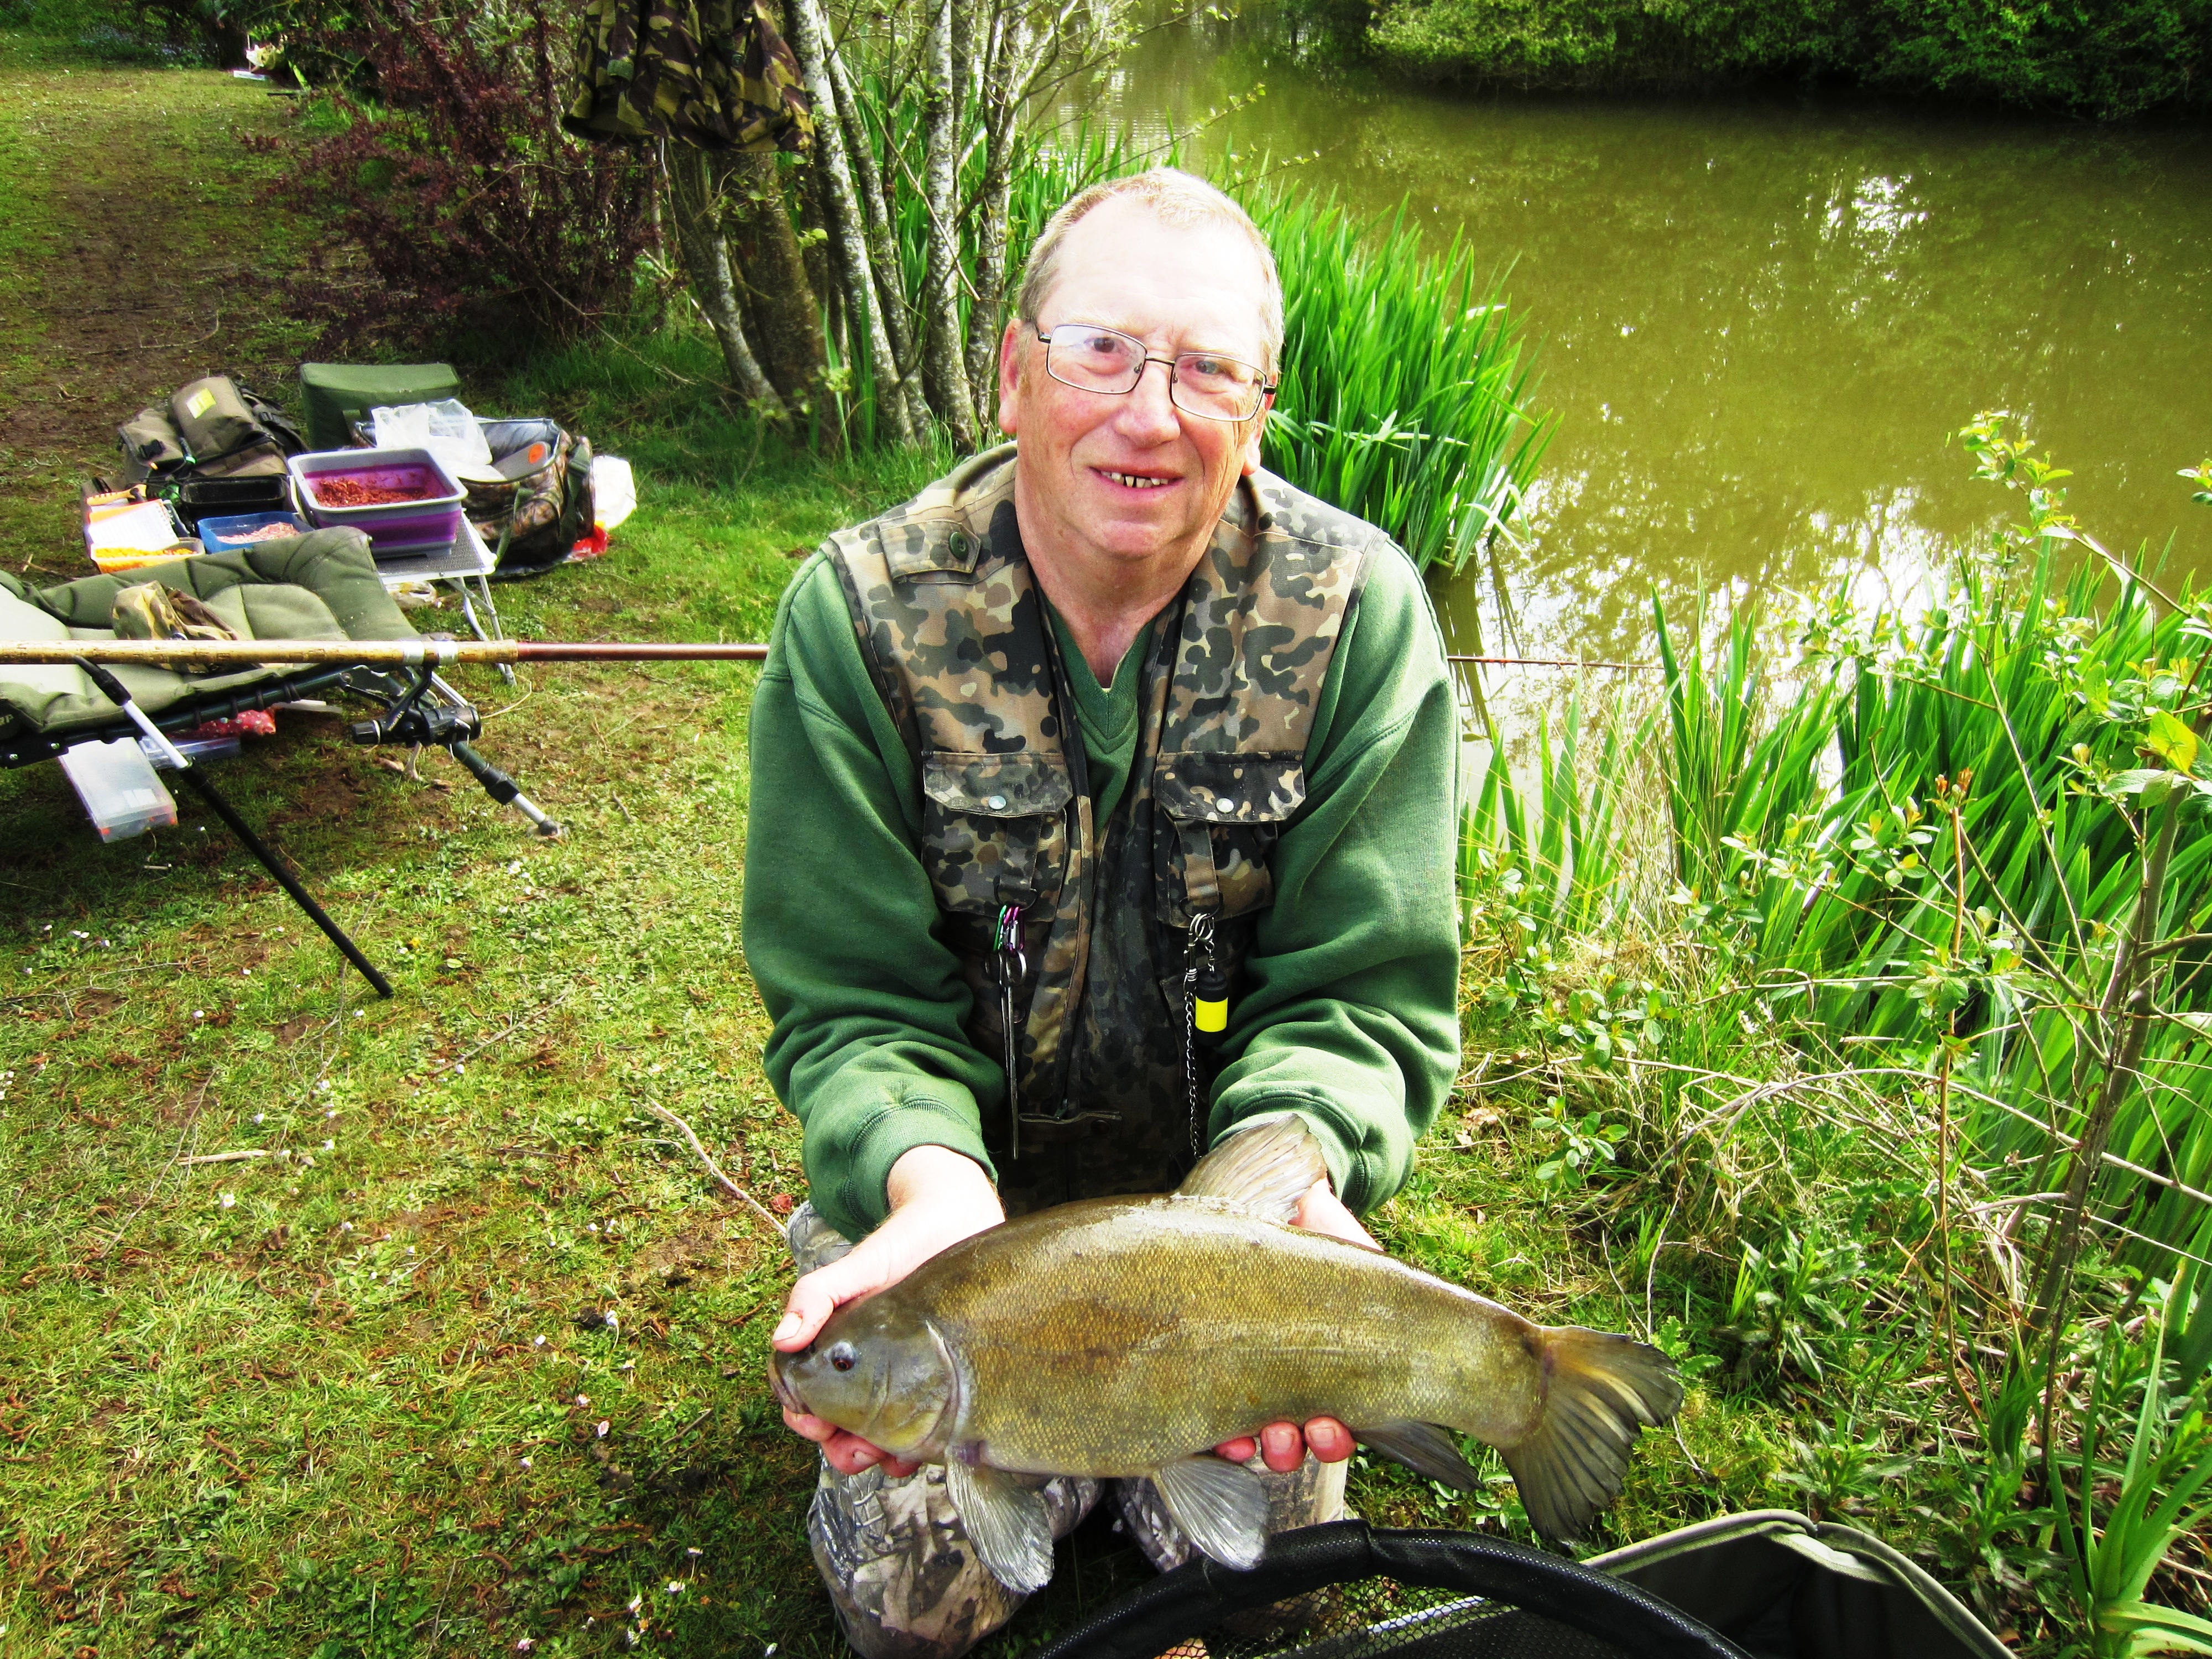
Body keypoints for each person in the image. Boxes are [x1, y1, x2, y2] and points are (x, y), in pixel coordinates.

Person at [742, 167, 1462, 1659]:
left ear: (1259, 408)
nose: (1150, 412)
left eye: (1206, 368)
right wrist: (926, 1187)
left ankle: (1153, 1494)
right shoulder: (857, 618)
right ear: (1015, 372)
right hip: (957, 1224)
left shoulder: (1363, 615)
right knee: (916, 1606)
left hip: (1222, 1223)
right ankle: (1032, 1467)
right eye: (1101, 351)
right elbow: (854, 1004)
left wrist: (1302, 1171)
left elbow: (1361, 1001)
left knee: (1284, 1567)